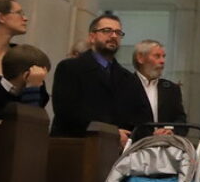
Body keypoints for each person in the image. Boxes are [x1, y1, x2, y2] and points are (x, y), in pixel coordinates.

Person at [50, 13, 145, 145]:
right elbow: (66, 112)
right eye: (107, 31)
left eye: (118, 32)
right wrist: (111, 132)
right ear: (92, 37)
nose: (113, 36)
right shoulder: (70, 68)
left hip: (116, 152)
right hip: (75, 147)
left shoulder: (128, 78)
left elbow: (137, 116)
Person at [0, 0, 48, 107]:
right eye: (19, 13)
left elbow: (38, 106)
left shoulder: (24, 57)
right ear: (1, 17)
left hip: (15, 122)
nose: (25, 18)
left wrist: (34, 86)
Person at [131, 39, 187, 127]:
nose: (162, 61)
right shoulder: (125, 84)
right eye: (157, 56)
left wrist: (170, 130)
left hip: (165, 140)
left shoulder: (171, 89)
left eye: (163, 56)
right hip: (135, 139)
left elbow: (180, 119)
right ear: (140, 58)